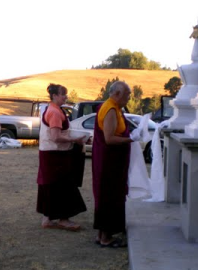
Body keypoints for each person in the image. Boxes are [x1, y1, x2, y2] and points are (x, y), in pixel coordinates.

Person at [92, 81, 141, 247]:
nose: (128, 99)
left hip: (112, 161)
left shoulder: (114, 108)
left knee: (108, 195)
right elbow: (109, 138)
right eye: (127, 95)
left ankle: (101, 235)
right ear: (117, 94)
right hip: (109, 162)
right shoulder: (110, 109)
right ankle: (106, 238)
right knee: (109, 196)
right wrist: (131, 138)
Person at [37, 83, 88, 231]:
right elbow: (55, 137)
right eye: (63, 94)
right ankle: (63, 219)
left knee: (49, 185)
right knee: (63, 186)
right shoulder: (54, 112)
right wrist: (76, 140)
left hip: (50, 154)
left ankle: (47, 218)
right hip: (55, 155)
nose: (66, 96)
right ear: (54, 96)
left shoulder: (53, 109)